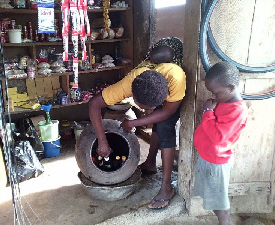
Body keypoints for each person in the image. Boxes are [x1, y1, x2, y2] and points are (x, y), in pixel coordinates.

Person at [89, 37, 186, 210]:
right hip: (157, 67)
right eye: (143, 107)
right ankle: (150, 164)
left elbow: (167, 112)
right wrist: (102, 139)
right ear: (132, 94)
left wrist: (134, 122)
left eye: (151, 108)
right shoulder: (131, 81)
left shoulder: (176, 78)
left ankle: (166, 187)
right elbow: (94, 104)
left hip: (174, 74)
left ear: (162, 98)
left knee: (165, 127)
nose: (148, 111)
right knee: (158, 120)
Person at [193, 61, 248, 225]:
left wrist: (207, 113)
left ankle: (226, 223)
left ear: (231, 87)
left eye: (216, 93)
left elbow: (218, 137)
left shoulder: (237, 110)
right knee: (212, 200)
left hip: (217, 164)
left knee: (220, 204)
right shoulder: (224, 102)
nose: (213, 96)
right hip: (208, 158)